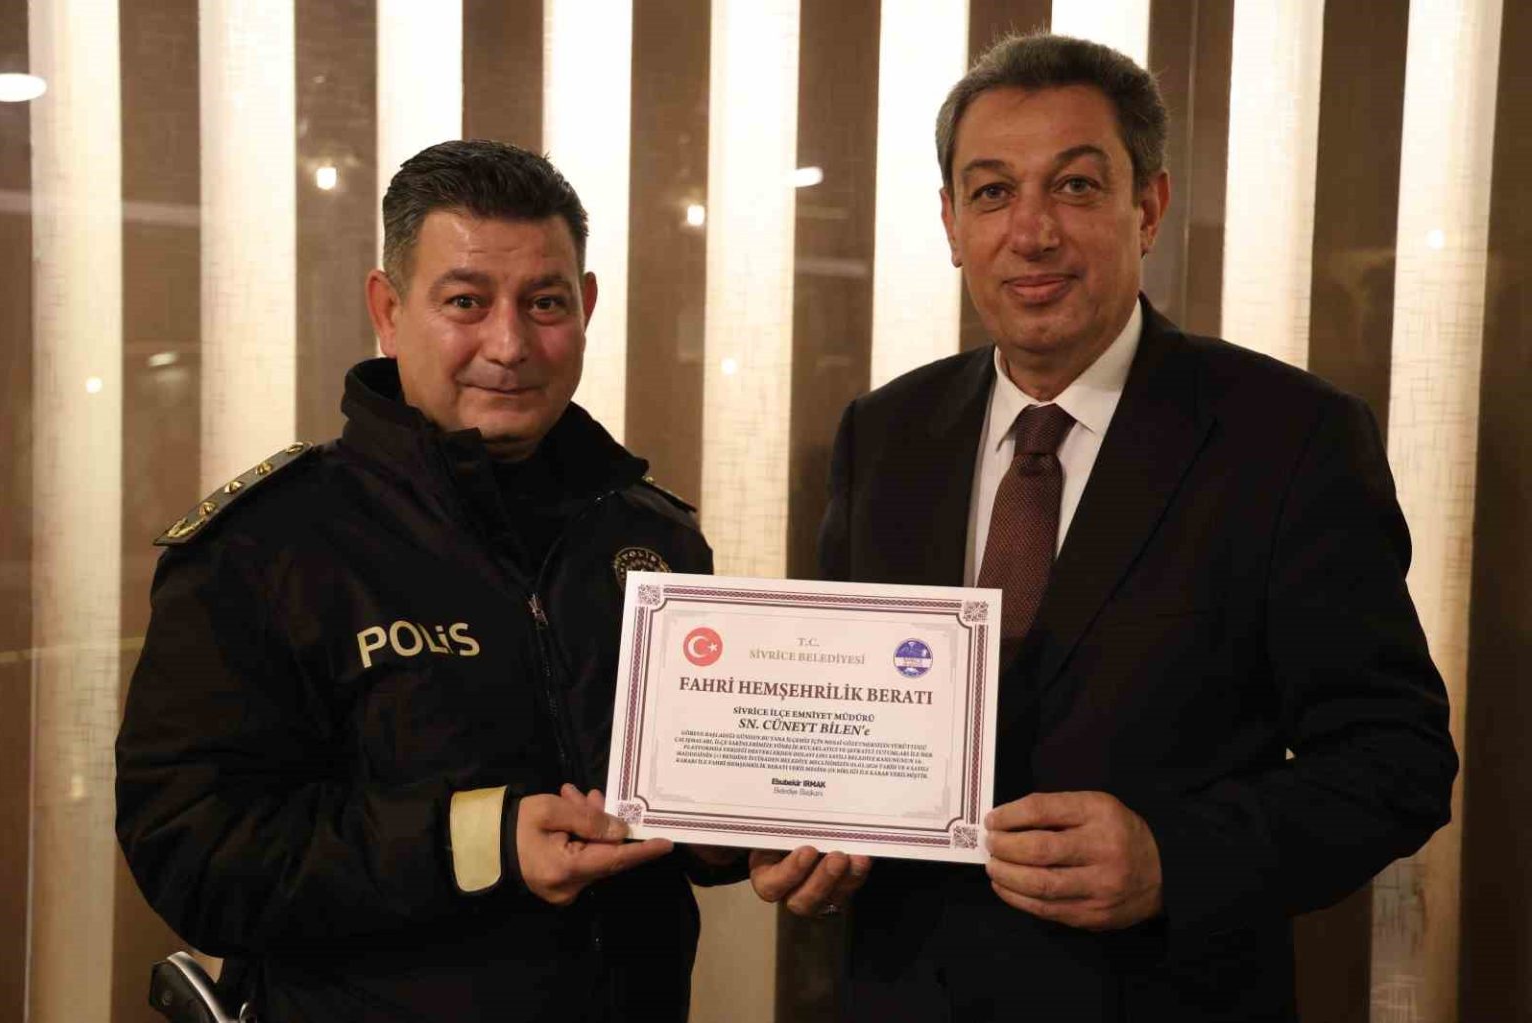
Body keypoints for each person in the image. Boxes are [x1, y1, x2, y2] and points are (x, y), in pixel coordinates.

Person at [751, 32, 1457, 1021]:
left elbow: (1397, 760)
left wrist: (1175, 857)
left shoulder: (1289, 437)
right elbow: (845, 716)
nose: (1032, 232)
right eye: (992, 192)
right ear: (952, 224)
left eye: (1076, 186)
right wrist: (805, 825)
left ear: (1149, 207)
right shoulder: (886, 432)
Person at [116, 139, 740, 1022]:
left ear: (587, 307)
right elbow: (193, 852)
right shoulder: (267, 547)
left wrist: (734, 839)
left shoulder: (655, 539)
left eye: (546, 302)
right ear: (388, 308)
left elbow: (685, 796)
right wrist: (481, 843)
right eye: (465, 302)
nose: (510, 344)